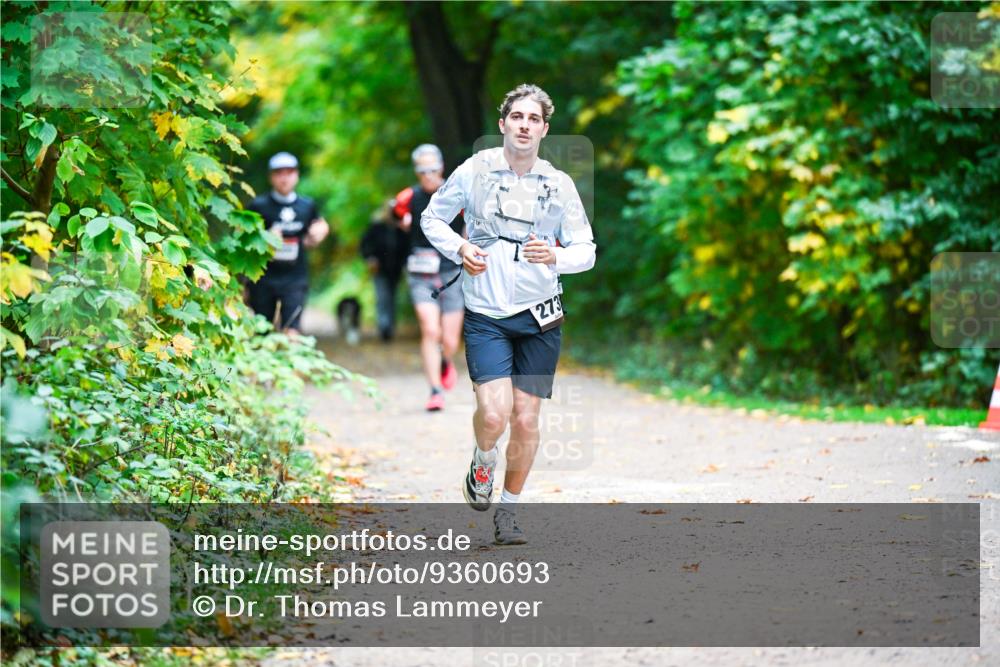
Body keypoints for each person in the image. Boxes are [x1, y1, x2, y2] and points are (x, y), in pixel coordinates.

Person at [420, 84, 596, 544]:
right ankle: (483, 459)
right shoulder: (475, 171)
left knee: (526, 419)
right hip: (486, 312)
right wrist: (460, 248)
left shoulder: (559, 185)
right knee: (494, 415)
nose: (523, 125)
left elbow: (587, 249)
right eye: (516, 116)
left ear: (544, 129)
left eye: (533, 118)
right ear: (503, 124)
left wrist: (555, 256)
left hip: (540, 315)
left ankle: (509, 511)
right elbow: (432, 218)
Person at [392, 144, 466, 411]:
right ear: (416, 171)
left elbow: (472, 225)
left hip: (452, 271)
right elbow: (395, 216)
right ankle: (435, 390)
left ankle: (445, 361)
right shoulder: (408, 197)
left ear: (441, 167)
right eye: (422, 170)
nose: (428, 175)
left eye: (432, 169)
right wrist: (402, 223)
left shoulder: (457, 194)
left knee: (449, 340)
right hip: (420, 272)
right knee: (430, 329)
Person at [246, 152, 329, 334]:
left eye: (289, 172)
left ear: (297, 175)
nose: (284, 178)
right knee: (262, 332)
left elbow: (316, 229)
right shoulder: (258, 206)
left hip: (295, 277)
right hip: (263, 278)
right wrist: (266, 237)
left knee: (292, 330)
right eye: (279, 173)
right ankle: (265, 362)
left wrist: (320, 233)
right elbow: (242, 240)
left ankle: (290, 360)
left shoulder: (307, 205)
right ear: (271, 177)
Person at [360, 202, 410, 341]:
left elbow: (407, 248)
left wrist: (406, 264)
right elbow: (365, 244)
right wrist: (369, 258)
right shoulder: (376, 227)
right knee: (382, 297)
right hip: (379, 269)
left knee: (392, 298)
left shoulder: (401, 229)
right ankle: (384, 327)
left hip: (396, 270)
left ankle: (390, 327)